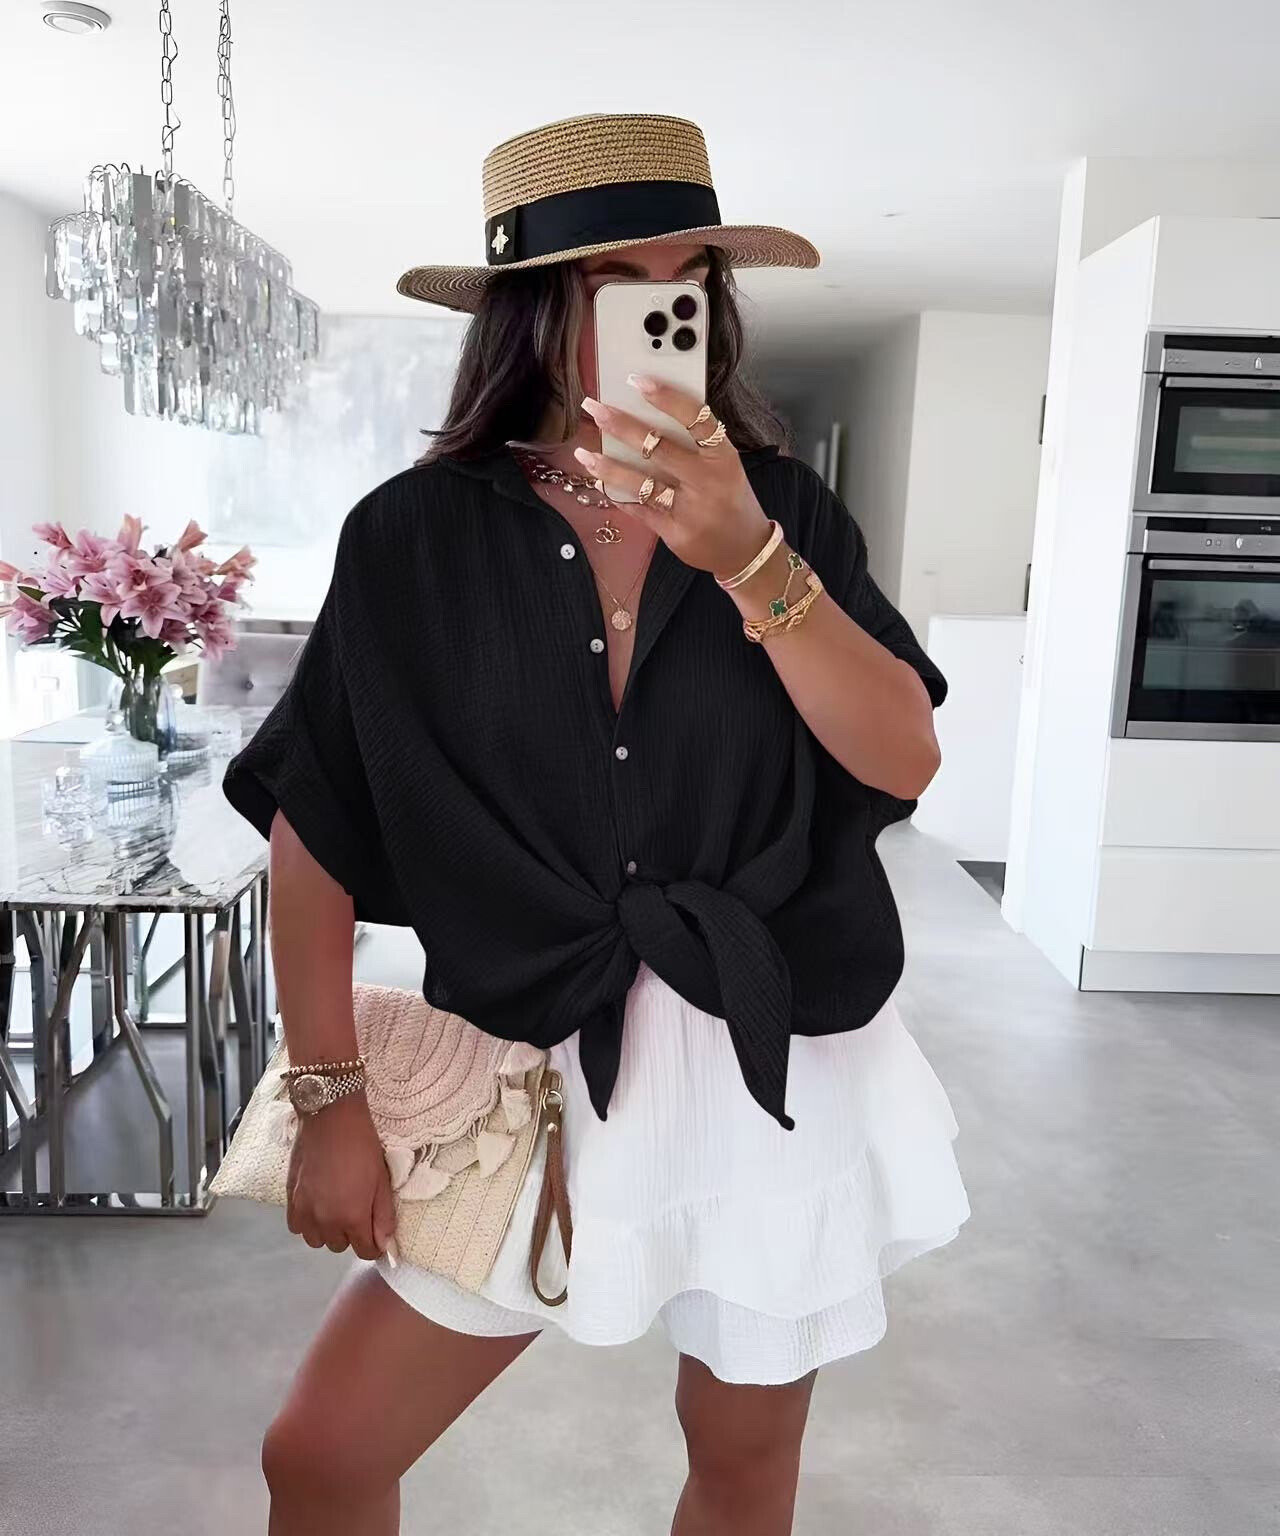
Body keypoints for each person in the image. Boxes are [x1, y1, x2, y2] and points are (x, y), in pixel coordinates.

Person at [224, 112, 970, 1536]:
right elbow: (317, 812)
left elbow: (904, 754)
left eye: (688, 282)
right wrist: (328, 1095)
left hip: (767, 1055)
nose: (661, 315)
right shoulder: (410, 537)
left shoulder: (783, 510)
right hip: (519, 1055)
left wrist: (749, 560)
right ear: (531, 307)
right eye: (615, 285)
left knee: (743, 1463)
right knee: (322, 1453)